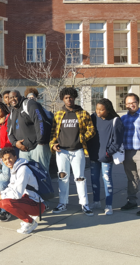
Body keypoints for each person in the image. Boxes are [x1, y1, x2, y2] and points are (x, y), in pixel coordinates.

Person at [49, 87, 96, 216]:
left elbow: (91, 130)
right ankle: (62, 203)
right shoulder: (58, 114)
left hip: (77, 150)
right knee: (62, 177)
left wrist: (82, 138)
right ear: (63, 99)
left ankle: (84, 204)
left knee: (80, 178)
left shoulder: (83, 113)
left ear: (74, 98)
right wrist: (53, 144)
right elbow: (53, 132)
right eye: (66, 98)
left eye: (71, 97)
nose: (69, 99)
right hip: (62, 151)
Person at [0, 148, 45, 234]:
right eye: (5, 159)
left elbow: (17, 194)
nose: (8, 161)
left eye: (10, 158)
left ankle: (30, 222)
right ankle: (27, 219)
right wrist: (1, 194)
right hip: (28, 200)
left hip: (36, 204)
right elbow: (11, 186)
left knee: (4, 203)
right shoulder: (15, 168)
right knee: (0, 202)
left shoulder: (23, 169)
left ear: (15, 157)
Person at [87, 98, 124, 215]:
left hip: (106, 157)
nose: (98, 112)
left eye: (101, 110)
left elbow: (117, 141)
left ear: (108, 110)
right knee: (94, 180)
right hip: (94, 156)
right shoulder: (93, 117)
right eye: (97, 109)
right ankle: (96, 201)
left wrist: (108, 152)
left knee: (107, 180)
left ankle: (109, 205)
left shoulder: (115, 120)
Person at [7, 90, 52, 172]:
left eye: (15, 96)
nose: (13, 99)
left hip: (38, 147)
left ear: (20, 96)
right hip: (23, 151)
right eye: (10, 98)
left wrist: (40, 142)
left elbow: (40, 122)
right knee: (27, 176)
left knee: (42, 174)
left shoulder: (29, 104)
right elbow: (9, 132)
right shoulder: (12, 112)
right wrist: (15, 143)